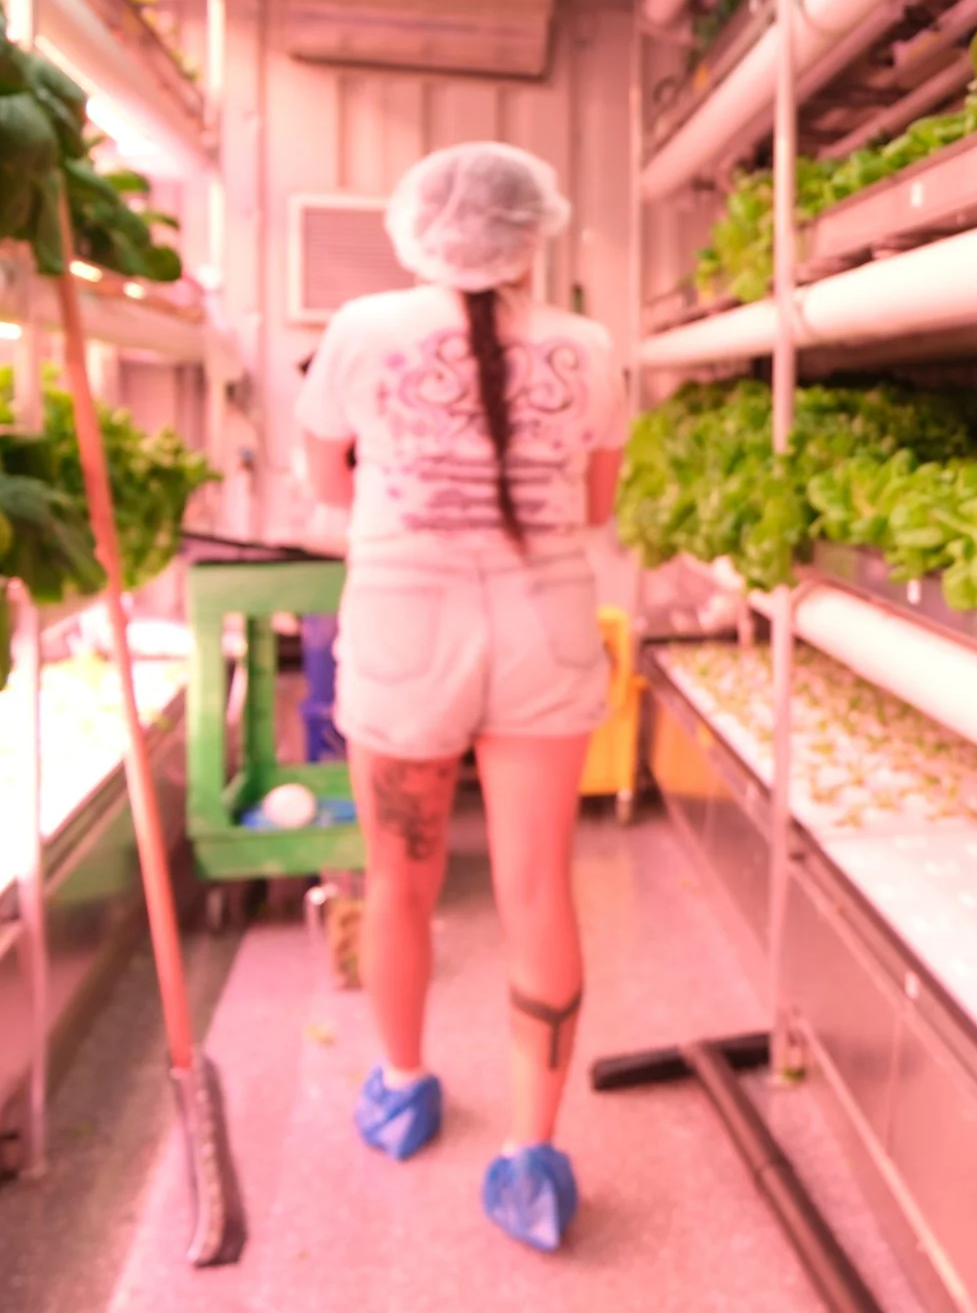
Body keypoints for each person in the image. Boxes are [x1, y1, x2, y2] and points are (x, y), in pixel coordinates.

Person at [295, 143, 624, 1253]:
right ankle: (533, 1155)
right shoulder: (588, 346)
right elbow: (596, 502)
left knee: (400, 876)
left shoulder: (361, 329)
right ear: (534, 233)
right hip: (545, 620)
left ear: (418, 229)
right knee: (537, 887)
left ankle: (401, 1085)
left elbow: (327, 479)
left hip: (403, 619)